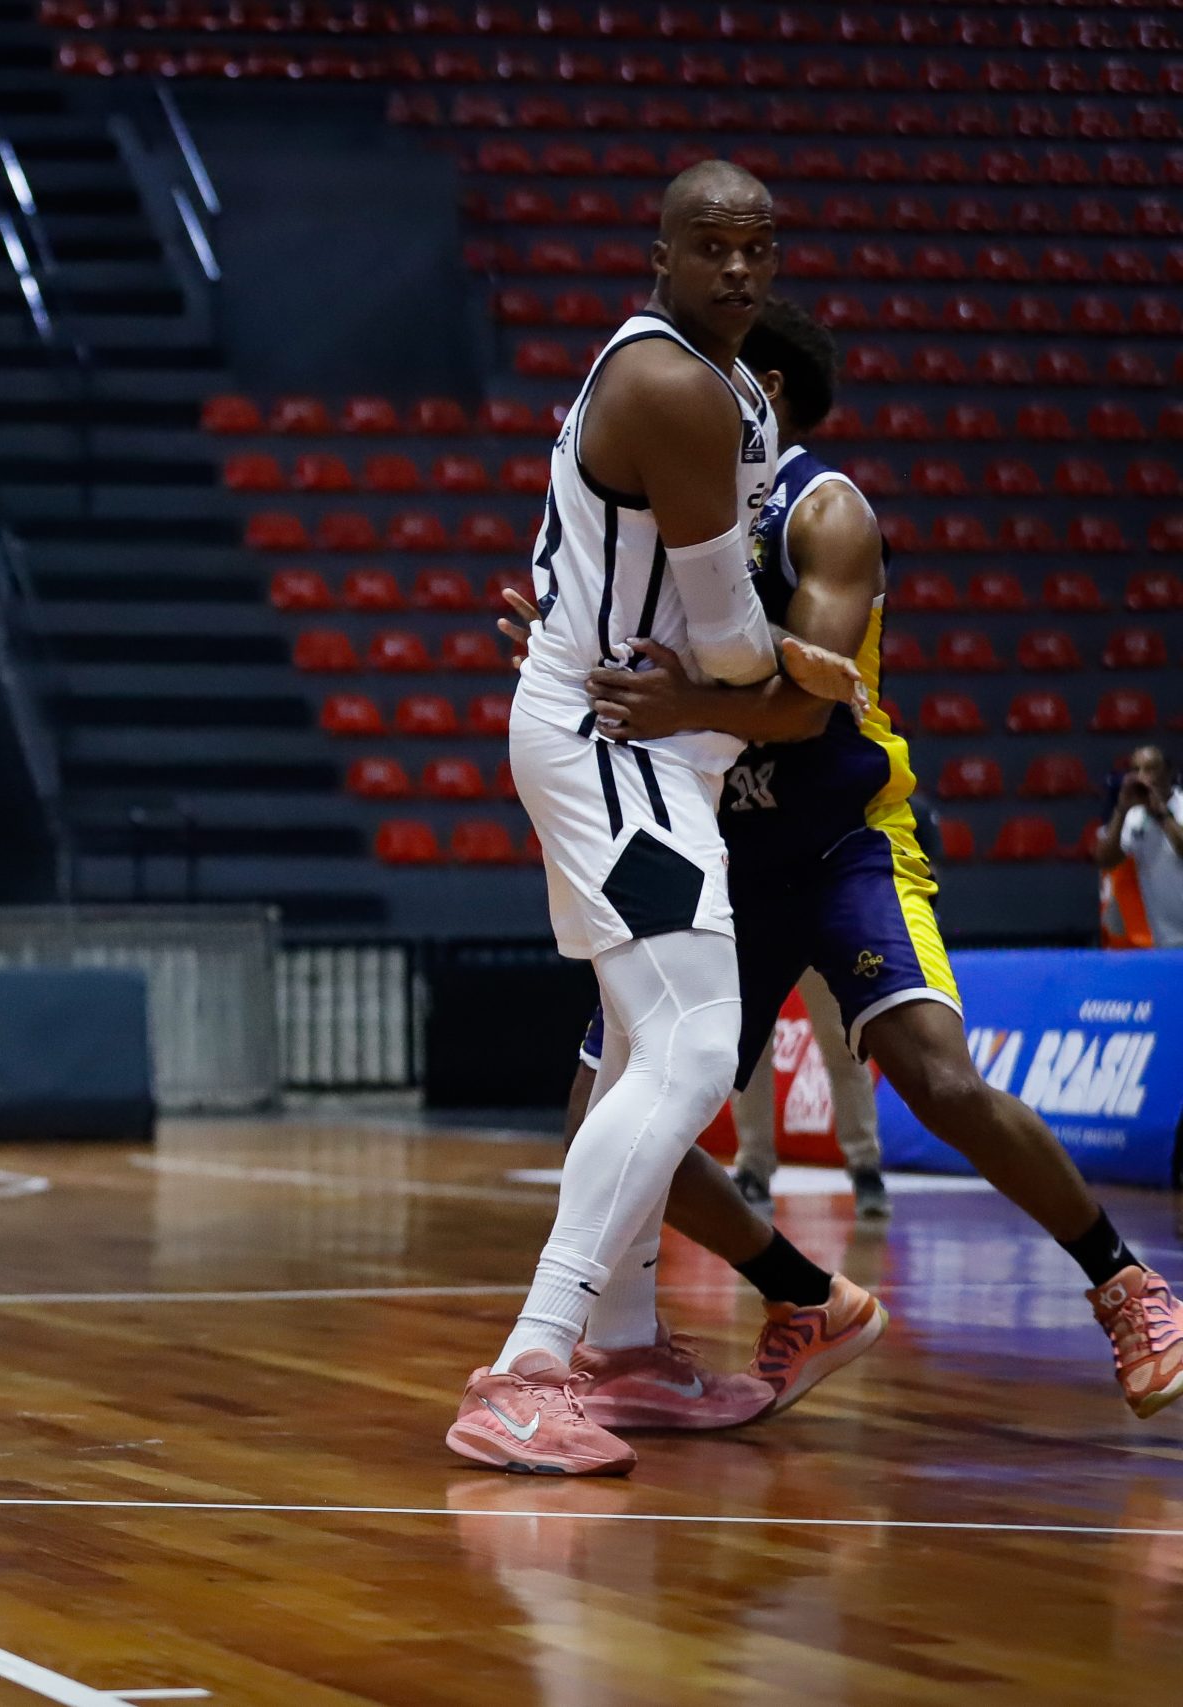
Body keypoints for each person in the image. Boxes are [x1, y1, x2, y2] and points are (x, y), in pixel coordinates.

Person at [565, 297, 1180, 1424]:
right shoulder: (678, 514)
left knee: (938, 1078)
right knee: (600, 1121)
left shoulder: (825, 509)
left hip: (844, 839)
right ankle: (808, 1298)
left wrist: (682, 704)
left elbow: (805, 710)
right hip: (719, 850)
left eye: (710, 367)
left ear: (764, 390)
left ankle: (1126, 1284)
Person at [447, 163, 873, 1478]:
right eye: (712, 246)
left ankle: (625, 1352)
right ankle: (528, 1367)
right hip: (617, 743)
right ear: (662, 254)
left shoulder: (723, 386)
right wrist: (792, 670)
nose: (739, 268)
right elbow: (734, 638)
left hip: (634, 739)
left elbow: (692, 618)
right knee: (691, 1050)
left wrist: (745, 671)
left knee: (642, 1045)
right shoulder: (674, 384)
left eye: (759, 246)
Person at [727, 968, 886, 1219]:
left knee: (844, 1044)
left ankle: (866, 1168)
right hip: (757, 944)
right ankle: (753, 1171)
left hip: (818, 945)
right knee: (750, 1049)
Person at [1094, 746, 1183, 946]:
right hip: (1166, 941)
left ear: (1168, 772)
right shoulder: (1134, 817)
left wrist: (1161, 813)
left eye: (1150, 769)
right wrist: (1121, 809)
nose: (1142, 777)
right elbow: (1105, 860)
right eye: (1136, 770)